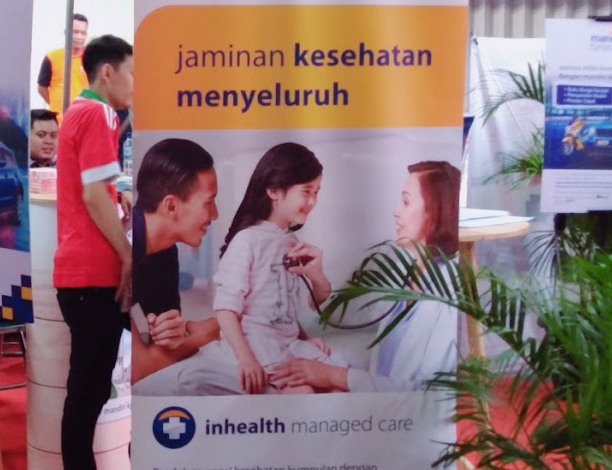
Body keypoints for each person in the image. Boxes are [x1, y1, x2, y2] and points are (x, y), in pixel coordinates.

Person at [140, 142, 333, 397]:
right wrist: (238, 351)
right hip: (259, 346)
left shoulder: (290, 243)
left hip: (282, 343)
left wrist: (304, 339)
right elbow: (226, 309)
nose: (312, 201)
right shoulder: (247, 241)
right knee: (303, 392)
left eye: (316, 192)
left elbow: (281, 306)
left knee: (333, 385)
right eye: (307, 191)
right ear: (274, 191)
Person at [277, 160, 462, 394]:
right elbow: (345, 317)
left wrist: (335, 376)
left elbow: (431, 394)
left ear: (436, 211)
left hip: (405, 413)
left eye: (406, 202)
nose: (396, 211)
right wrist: (317, 277)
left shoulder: (449, 292)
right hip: (381, 404)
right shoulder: (406, 274)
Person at [53, 33, 134, 470]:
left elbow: (101, 184)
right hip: (91, 273)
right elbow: (92, 195)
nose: (136, 84)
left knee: (88, 386)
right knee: (87, 390)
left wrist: (122, 190)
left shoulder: (81, 112)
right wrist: (127, 255)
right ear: (108, 72)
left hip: (81, 273)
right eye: (132, 72)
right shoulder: (99, 113)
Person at [130, 137, 221, 381]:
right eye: (209, 202)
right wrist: (208, 332)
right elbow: (137, 368)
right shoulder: (120, 247)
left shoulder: (165, 251)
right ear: (171, 206)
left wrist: (173, 333)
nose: (215, 215)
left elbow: (164, 343)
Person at [36, 12, 89, 116]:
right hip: (60, 119)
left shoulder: (91, 58)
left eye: (83, 33)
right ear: (66, 32)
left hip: (84, 118)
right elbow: (41, 88)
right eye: (75, 32)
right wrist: (56, 105)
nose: (79, 37)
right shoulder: (52, 57)